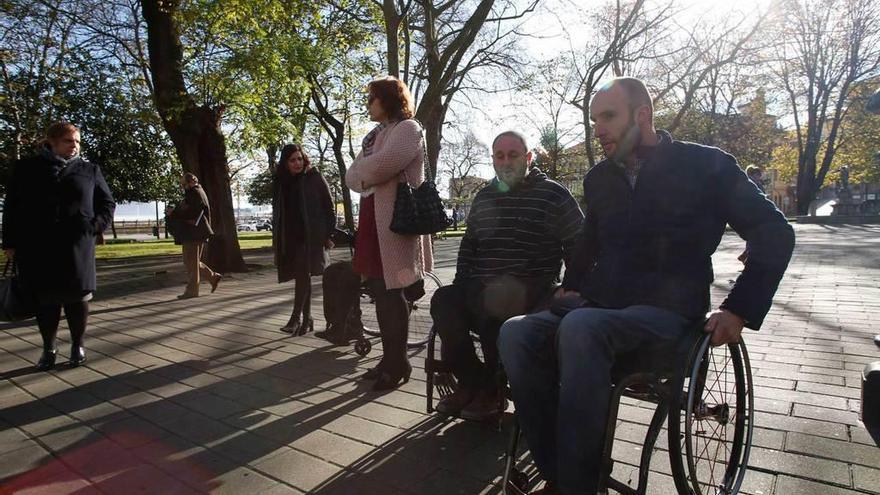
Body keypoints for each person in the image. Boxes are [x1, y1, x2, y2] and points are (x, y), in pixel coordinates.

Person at [497, 77, 795, 494]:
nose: (598, 128)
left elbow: (775, 233)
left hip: (670, 316)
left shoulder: (706, 166)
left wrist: (739, 308)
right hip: (601, 306)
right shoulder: (600, 178)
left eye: (608, 117)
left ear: (642, 115)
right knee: (516, 332)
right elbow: (590, 241)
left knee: (582, 329)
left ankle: (576, 487)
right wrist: (572, 283)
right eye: (594, 119)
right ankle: (563, 475)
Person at [430, 131, 583, 421]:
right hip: (483, 286)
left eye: (513, 155)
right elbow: (470, 244)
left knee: (498, 300)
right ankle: (473, 381)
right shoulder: (485, 195)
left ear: (528, 158)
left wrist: (573, 283)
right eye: (499, 156)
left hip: (532, 287)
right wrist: (462, 285)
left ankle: (493, 390)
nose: (506, 162)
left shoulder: (552, 194)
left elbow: (579, 243)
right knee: (444, 300)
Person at [322, 75, 433, 391]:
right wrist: (368, 176)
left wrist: (367, 176)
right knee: (379, 291)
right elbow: (351, 177)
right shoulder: (374, 136)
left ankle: (398, 363)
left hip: (397, 223)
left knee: (391, 293)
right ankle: (389, 358)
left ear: (388, 99)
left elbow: (379, 168)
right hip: (373, 220)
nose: (367, 104)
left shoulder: (409, 129)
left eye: (372, 98)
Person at [2, 122, 116, 370]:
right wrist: (9, 242)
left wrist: (95, 226)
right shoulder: (26, 168)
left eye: (77, 141)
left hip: (77, 246)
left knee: (78, 297)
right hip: (38, 247)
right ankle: (49, 347)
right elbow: (12, 207)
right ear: (51, 141)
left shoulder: (89, 170)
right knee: (46, 300)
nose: (74, 146)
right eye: (68, 141)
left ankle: (78, 344)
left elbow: (107, 203)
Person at [272, 143, 336, 335]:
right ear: (285, 163)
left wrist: (328, 235)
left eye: (300, 158)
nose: (297, 163)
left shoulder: (314, 177)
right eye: (292, 160)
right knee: (303, 276)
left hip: (311, 236)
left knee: (302, 275)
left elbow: (329, 207)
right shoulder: (282, 182)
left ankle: (296, 318)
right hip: (291, 237)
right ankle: (307, 319)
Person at [167, 173, 221, 299]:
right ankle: (213, 277)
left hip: (193, 232)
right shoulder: (199, 192)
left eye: (183, 184)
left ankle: (192, 291)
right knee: (192, 261)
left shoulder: (194, 193)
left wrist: (173, 213)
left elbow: (192, 212)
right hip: (198, 231)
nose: (183, 187)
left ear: (190, 182)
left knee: (190, 261)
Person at [738, 165, 766, 263]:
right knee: (755, 236)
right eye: (758, 175)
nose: (759, 177)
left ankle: (746, 255)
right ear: (753, 174)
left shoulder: (754, 184)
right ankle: (748, 256)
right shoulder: (751, 184)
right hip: (753, 214)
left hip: (755, 214)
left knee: (754, 236)